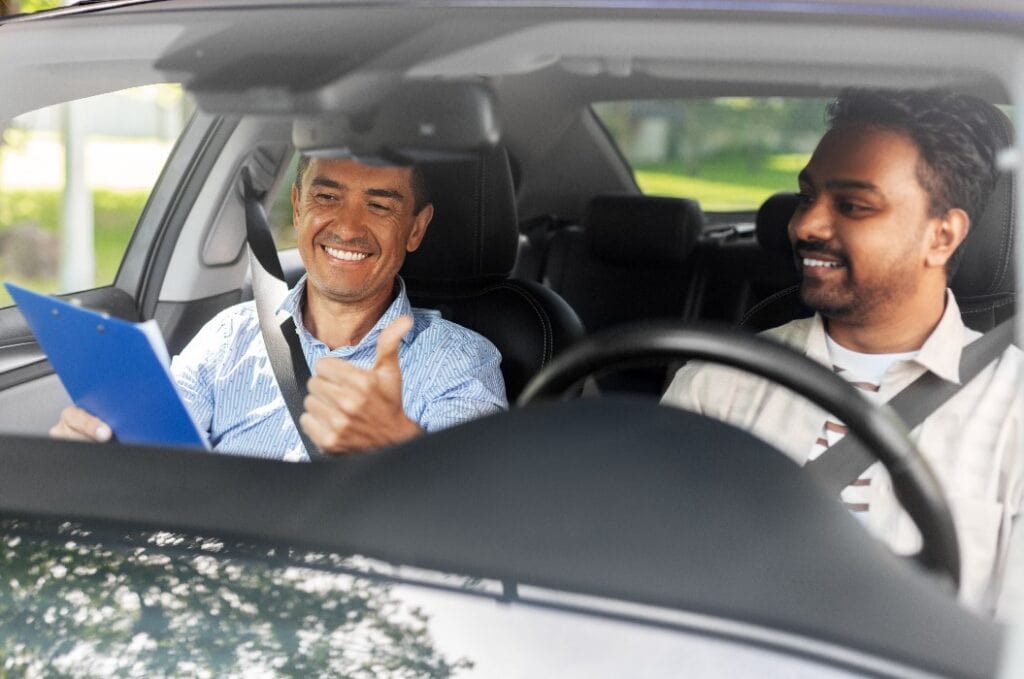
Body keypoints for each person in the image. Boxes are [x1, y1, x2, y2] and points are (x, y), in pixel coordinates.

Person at [662, 88, 1022, 617]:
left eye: (852, 205)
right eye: (807, 196)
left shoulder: (1013, 409)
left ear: (941, 236)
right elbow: (652, 574)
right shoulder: (716, 384)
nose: (804, 225)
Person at [52, 155, 508, 459]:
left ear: (415, 228)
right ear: (297, 206)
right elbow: (159, 461)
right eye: (326, 198)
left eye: (379, 206)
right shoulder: (226, 337)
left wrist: (398, 447)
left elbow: (476, 522)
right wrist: (100, 452)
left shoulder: (460, 362)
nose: (348, 228)